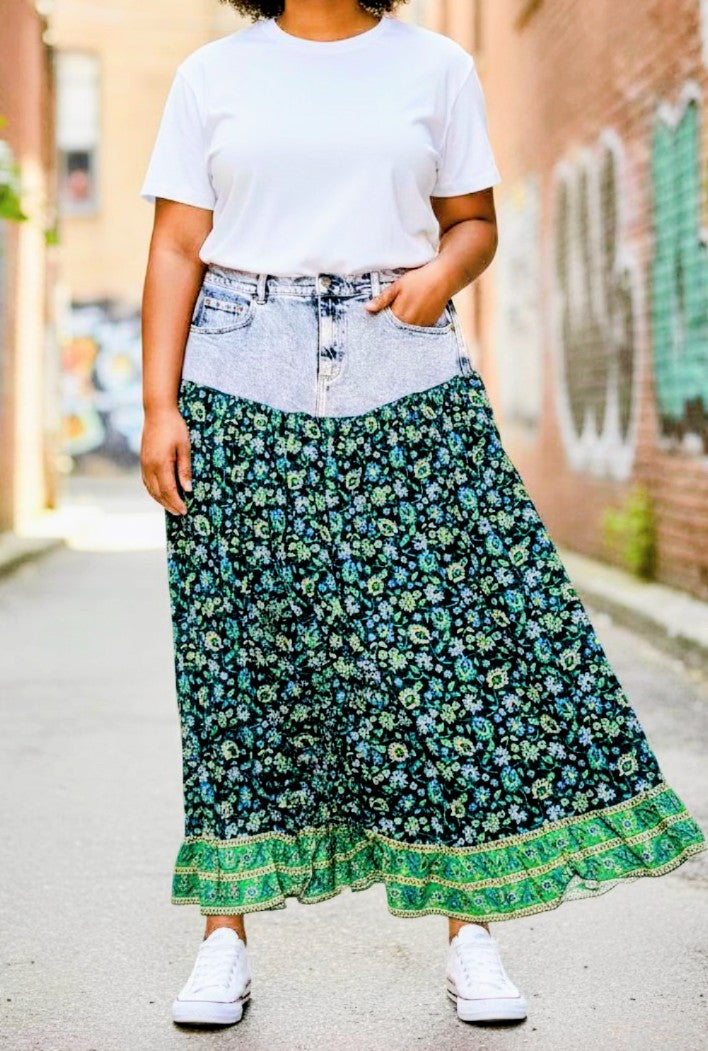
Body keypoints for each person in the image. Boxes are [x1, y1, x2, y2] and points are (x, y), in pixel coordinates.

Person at [138, 0, 707, 1031]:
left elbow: (474, 222)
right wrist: (157, 407)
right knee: (238, 664)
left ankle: (472, 928)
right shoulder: (212, 76)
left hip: (402, 369)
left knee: (441, 659)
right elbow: (178, 246)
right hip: (238, 375)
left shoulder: (434, 64)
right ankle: (223, 939)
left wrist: (439, 274)